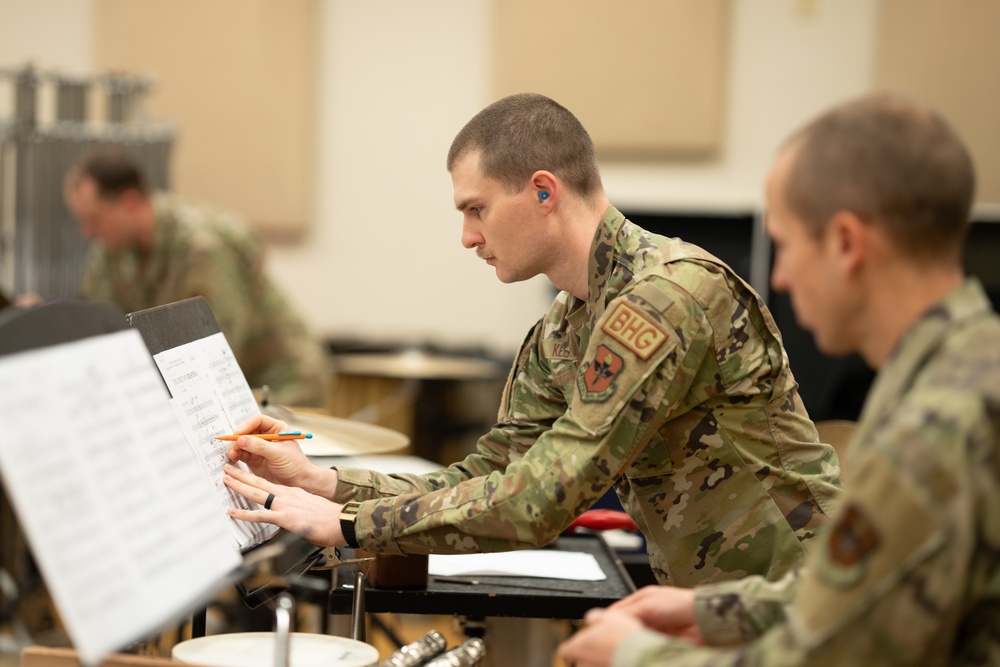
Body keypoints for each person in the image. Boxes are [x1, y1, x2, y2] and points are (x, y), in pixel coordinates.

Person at [221, 93, 841, 587]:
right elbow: (491, 477)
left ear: (544, 191)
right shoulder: (564, 327)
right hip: (719, 607)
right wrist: (324, 483)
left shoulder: (665, 297)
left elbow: (540, 499)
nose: (467, 236)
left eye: (476, 209)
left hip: (810, 604)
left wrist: (350, 524)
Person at [557, 93, 1000, 666]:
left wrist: (635, 655)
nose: (783, 279)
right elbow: (866, 592)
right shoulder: (964, 364)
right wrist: (711, 613)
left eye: (787, 245)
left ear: (845, 243)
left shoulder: (936, 425)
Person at [63, 147, 332, 408]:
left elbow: (212, 354)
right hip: (209, 393)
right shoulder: (112, 249)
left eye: (95, 219)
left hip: (278, 387)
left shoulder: (203, 247)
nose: (87, 232)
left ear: (130, 203)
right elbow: (101, 329)